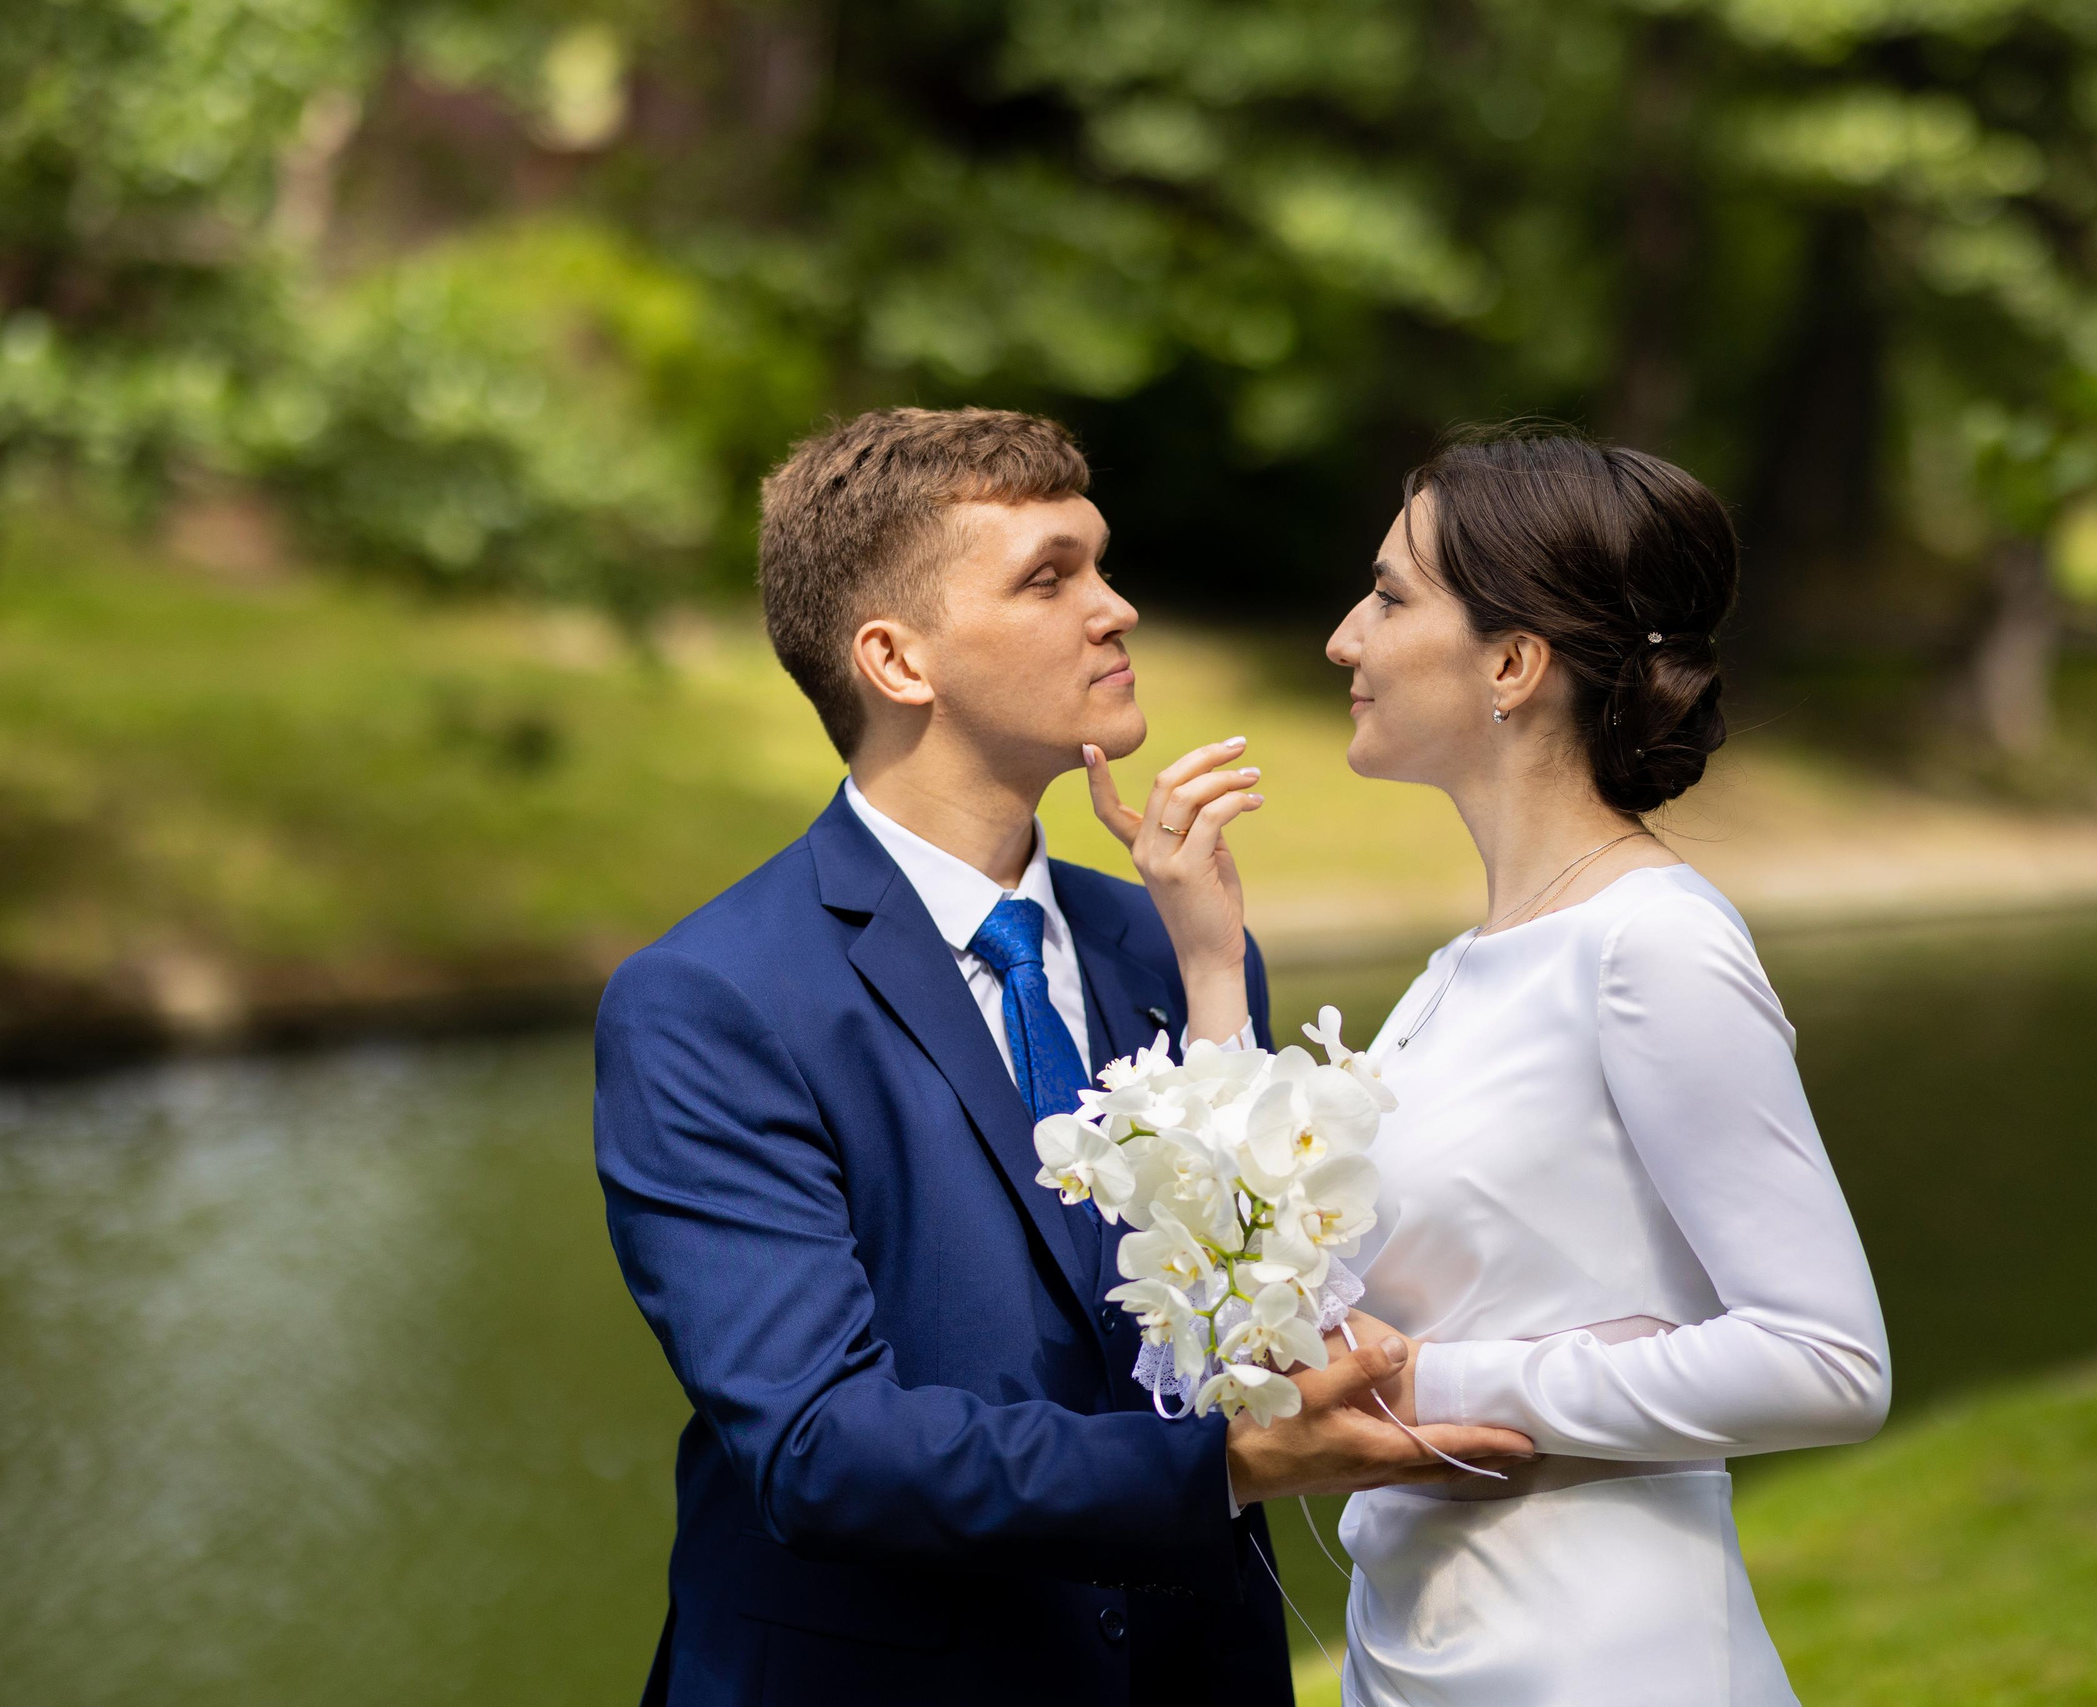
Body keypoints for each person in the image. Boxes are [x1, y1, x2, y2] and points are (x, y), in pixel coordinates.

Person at [592, 407, 1534, 1707]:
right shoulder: (709, 1000)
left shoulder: (1176, 945)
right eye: (1051, 575)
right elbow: (818, 1445)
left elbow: (1251, 1326)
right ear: (896, 658)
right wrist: (1227, 1464)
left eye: (1101, 561)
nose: (1118, 607)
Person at [1101, 427, 1893, 1705]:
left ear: (1513, 664)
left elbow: (1827, 1360)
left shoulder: (1655, 943)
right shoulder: (1457, 972)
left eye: (1389, 596)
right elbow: (1295, 1297)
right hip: (1418, 1639)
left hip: (1599, 1655)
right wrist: (1207, 961)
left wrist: (1435, 1381)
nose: (1343, 639)